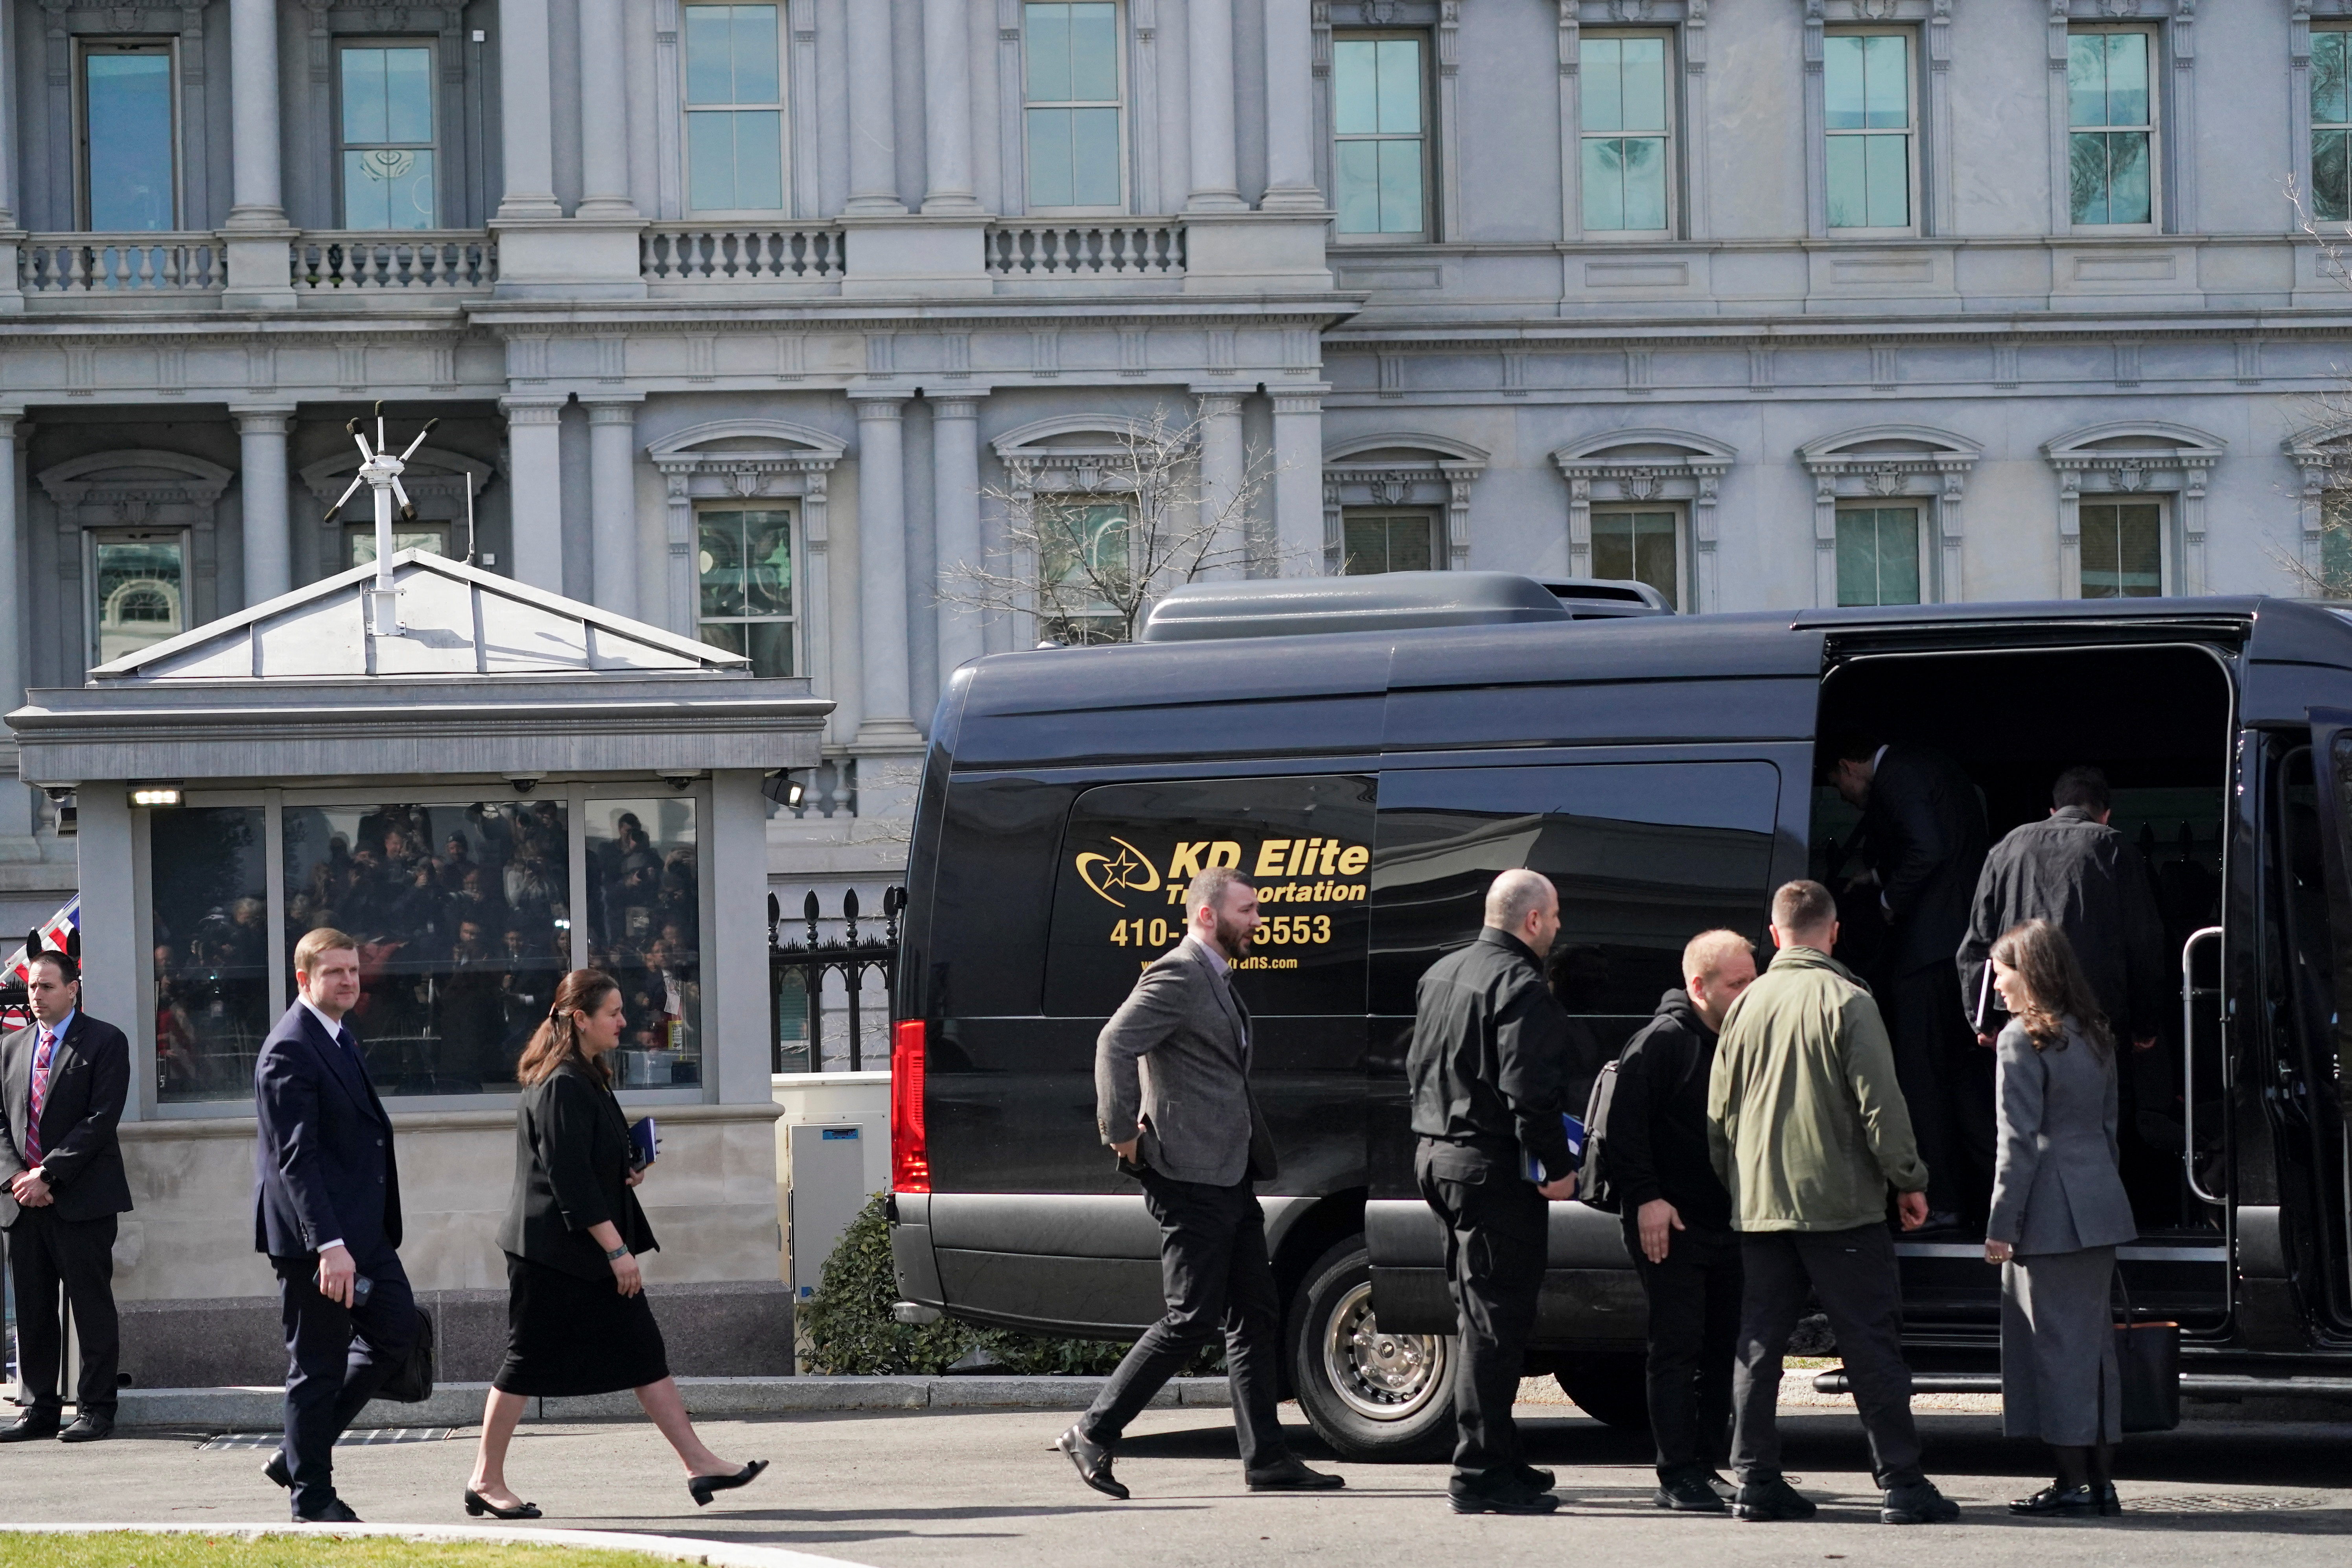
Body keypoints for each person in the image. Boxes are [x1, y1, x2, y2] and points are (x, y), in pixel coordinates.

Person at [1056, 866, 1343, 1502]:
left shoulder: (1217, 981)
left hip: (1228, 1173)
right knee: (1191, 1318)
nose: (1258, 920)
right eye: (1247, 909)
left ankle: (1266, 1458)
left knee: (1255, 1313)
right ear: (1208, 915)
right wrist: (1122, 1133)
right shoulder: (1179, 973)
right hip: (1186, 1173)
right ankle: (1094, 1430)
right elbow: (1114, 1043)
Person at [465, 969, 766, 1516]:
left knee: (643, 1349)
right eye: (614, 1012)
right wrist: (617, 1249)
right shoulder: (559, 1081)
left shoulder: (587, 1075)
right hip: (553, 1253)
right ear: (581, 1018)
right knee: (525, 1361)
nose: (624, 1021)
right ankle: (485, 1478)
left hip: (580, 1246)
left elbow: (587, 1157)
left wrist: (625, 1164)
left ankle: (698, 1461)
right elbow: (567, 1179)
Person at [1708, 879, 1960, 1526]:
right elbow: (1881, 1102)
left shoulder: (1744, 1004)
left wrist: (1742, 1186)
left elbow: (1718, 1116)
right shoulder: (1848, 999)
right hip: (1841, 1205)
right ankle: (1902, 1481)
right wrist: (1907, 1177)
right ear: (1835, 931)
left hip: (1761, 1206)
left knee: (1759, 1344)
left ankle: (1754, 1478)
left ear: (1773, 935)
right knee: (1869, 1341)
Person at [1407, 868, 1577, 1515]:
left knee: (1477, 1315)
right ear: (1531, 919)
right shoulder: (1521, 986)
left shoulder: (1442, 973)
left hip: (1438, 1157)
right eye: (1555, 916)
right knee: (1494, 1325)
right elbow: (1529, 1094)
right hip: (1491, 1169)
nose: (1559, 928)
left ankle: (1499, 1452)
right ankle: (1478, 1474)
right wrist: (1557, 1167)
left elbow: (1418, 1066)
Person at [253, 928, 420, 1523]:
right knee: (317, 1365)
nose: (349, 980)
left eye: (353, 970)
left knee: (399, 1329)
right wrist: (330, 1245)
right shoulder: (290, 1047)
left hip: (364, 1232)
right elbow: (295, 1158)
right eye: (334, 972)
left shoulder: (339, 1035)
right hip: (318, 1241)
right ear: (304, 979)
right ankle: (312, 1498)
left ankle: (299, 1451)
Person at [1983, 921, 2139, 1519]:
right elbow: (2108, 1130)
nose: (1996, 984)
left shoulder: (2021, 1039)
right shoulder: (2093, 1032)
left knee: (2054, 1350)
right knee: (2091, 1350)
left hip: (2046, 1212)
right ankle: (2099, 1483)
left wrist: (2001, 1224)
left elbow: (2016, 1143)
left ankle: (2072, 1482)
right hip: (2098, 1206)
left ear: (2032, 972)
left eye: (2003, 970)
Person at [1609, 929, 1757, 1512]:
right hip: (1670, 1220)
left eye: (1753, 977)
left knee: (1721, 1346)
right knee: (1677, 1346)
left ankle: (1703, 1461)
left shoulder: (1741, 1036)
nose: (1749, 991)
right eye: (1736, 982)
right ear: (1698, 986)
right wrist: (1646, 1197)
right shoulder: (1663, 1041)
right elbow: (1626, 1129)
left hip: (1728, 1220)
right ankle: (1675, 1471)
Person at [1828, 737, 1990, 1231]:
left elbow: (1926, 848)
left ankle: (1940, 1199)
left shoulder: (1897, 774)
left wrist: (1887, 902)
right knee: (1963, 1082)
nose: (1845, 797)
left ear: (1846, 765)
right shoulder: (1932, 765)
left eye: (1839, 787)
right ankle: (1986, 1198)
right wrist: (1877, 875)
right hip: (1955, 948)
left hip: (1926, 953)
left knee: (1920, 1080)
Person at [0, 941, 132, 1443]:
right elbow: (0, 1122)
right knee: (33, 1309)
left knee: (90, 1305)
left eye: (46, 986)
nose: (36, 995)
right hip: (22, 1204)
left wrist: (49, 1175)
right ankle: (39, 1409)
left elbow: (102, 1120)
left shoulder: (103, 1041)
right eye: (31, 986)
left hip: (81, 1200)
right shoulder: (10, 1048)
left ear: (72, 989)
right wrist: (18, 1178)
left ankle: (97, 1408)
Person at [1957, 765, 2167, 1053]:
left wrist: (1983, 1021)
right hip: (2099, 1016)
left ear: (2053, 810)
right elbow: (2143, 943)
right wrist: (2145, 1024)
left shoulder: (2007, 848)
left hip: (2022, 1013)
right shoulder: (2116, 849)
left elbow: (1979, 942)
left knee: (2024, 1094)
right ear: (2105, 815)